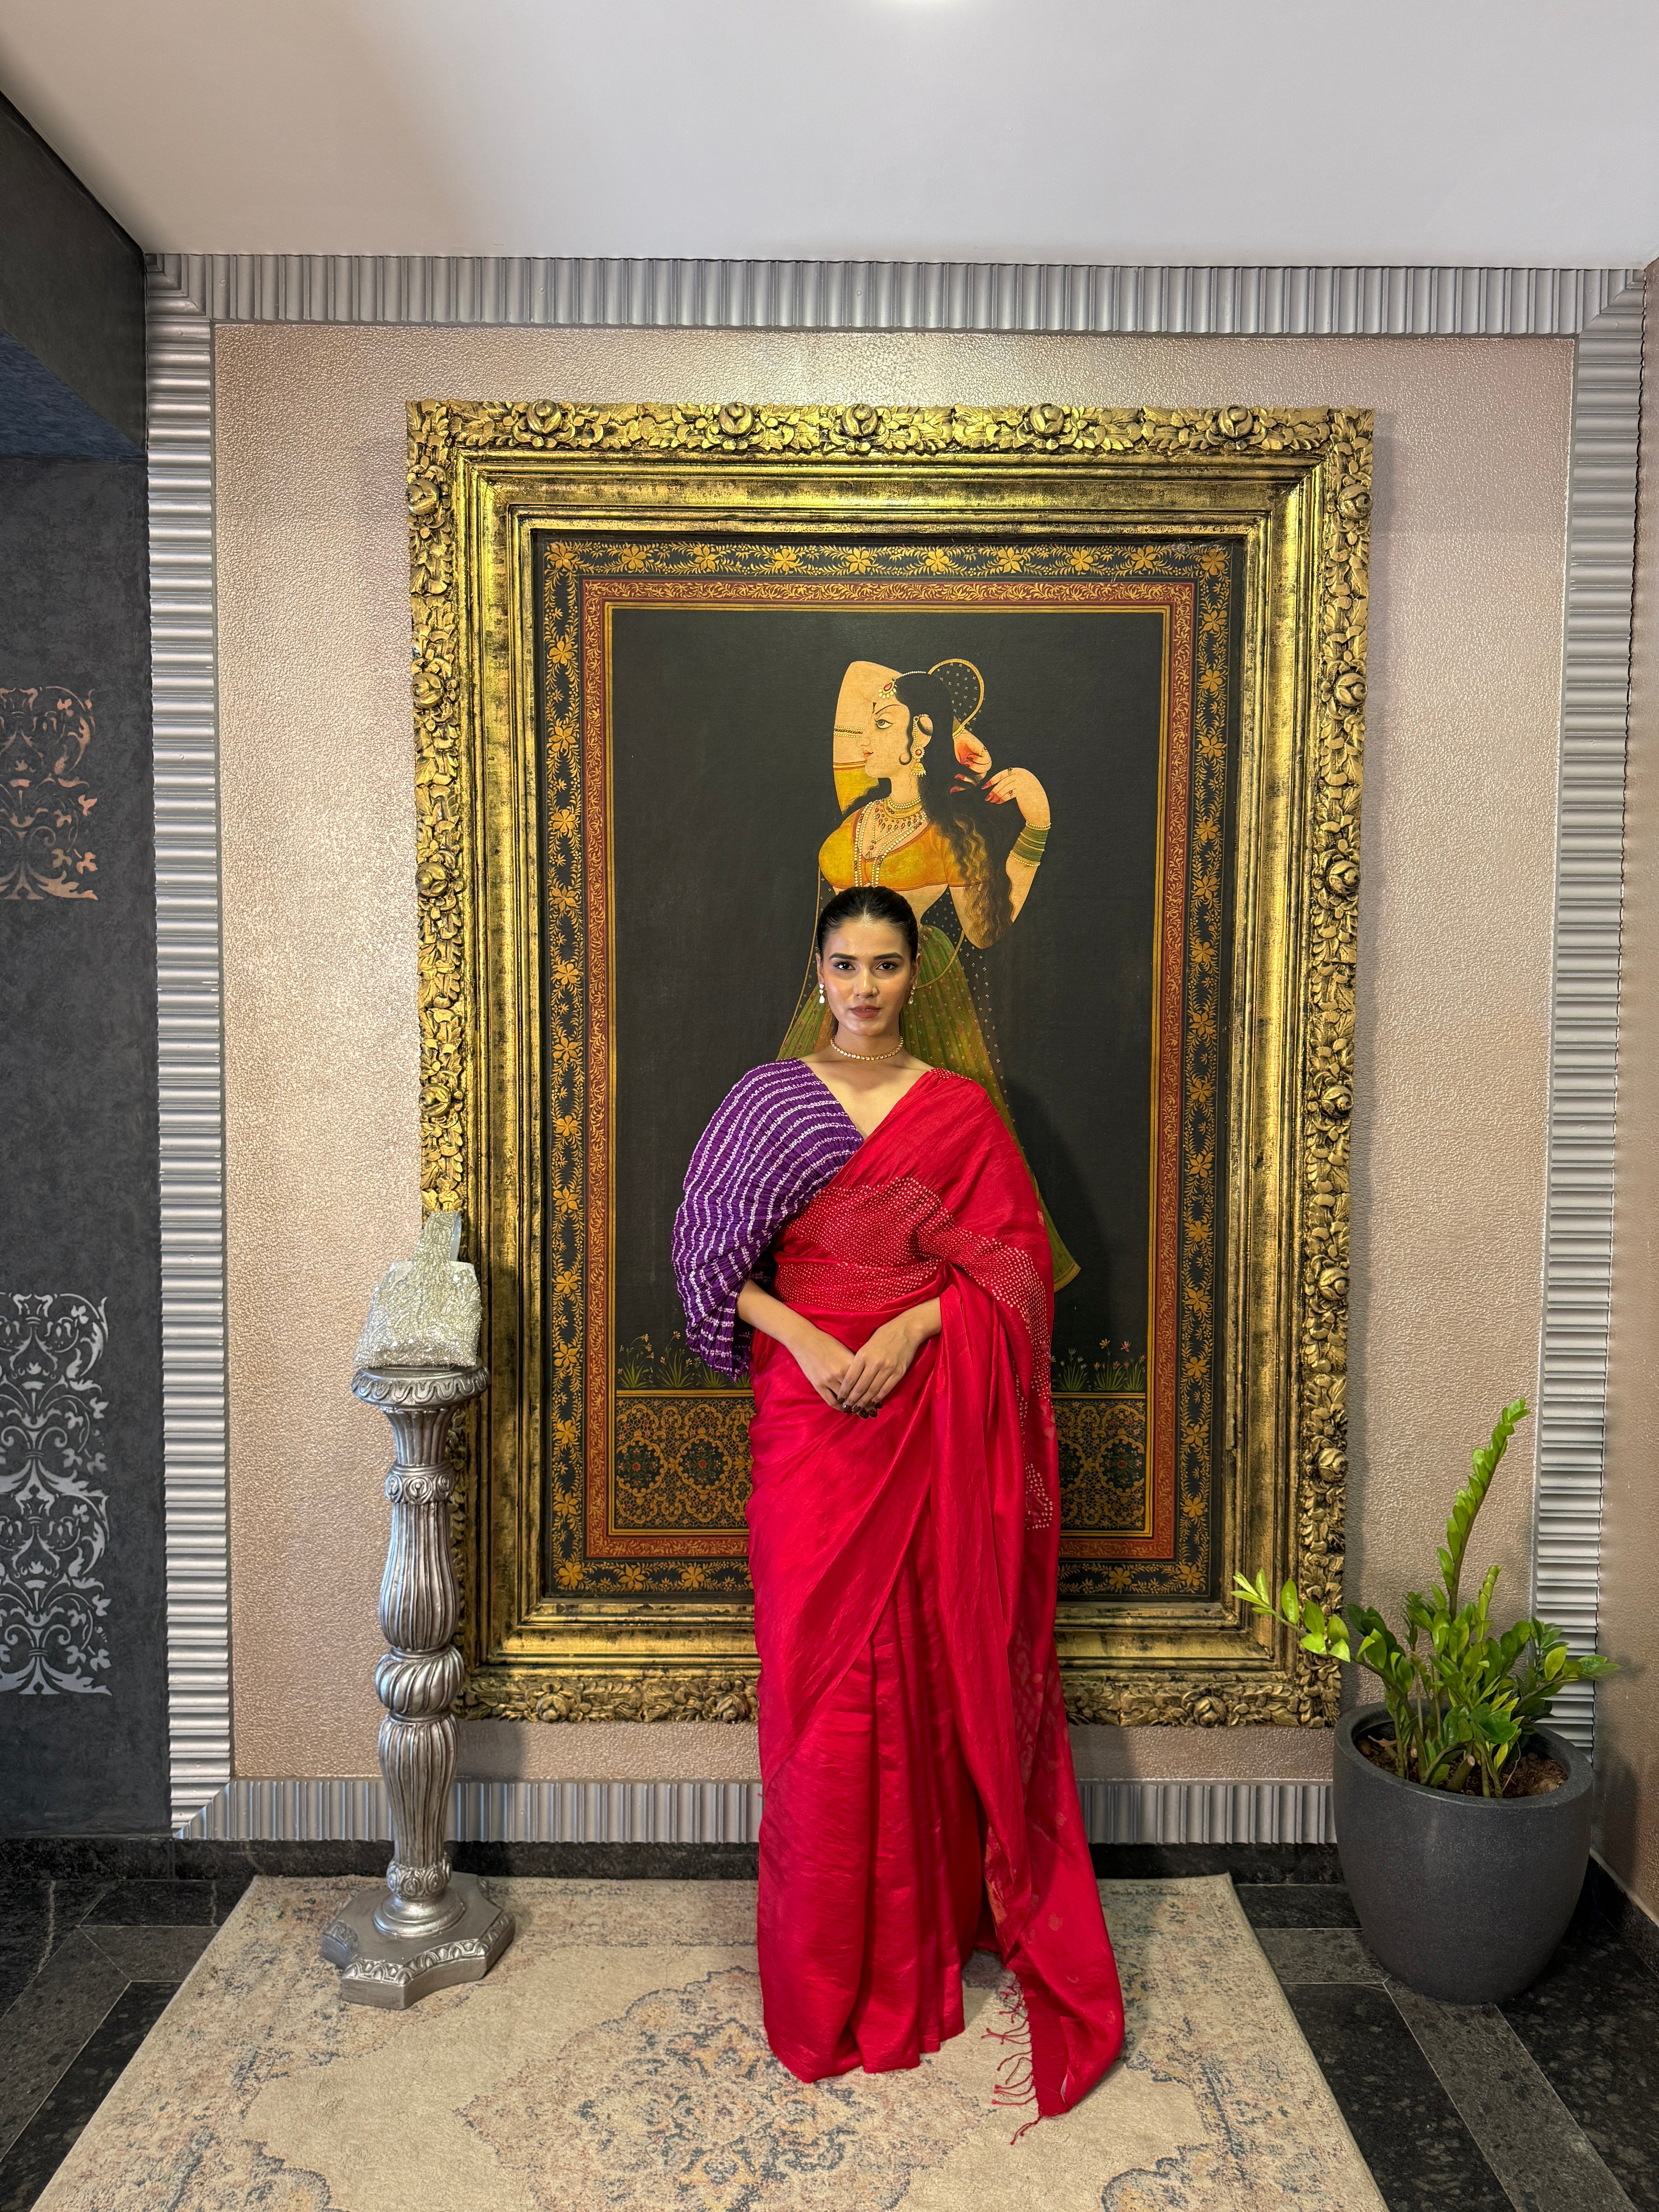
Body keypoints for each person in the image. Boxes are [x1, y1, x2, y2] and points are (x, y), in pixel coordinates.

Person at [673, 883, 1123, 2119]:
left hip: (926, 1417)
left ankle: (916, 1967)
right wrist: (814, 1345)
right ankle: (819, 1991)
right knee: (818, 1688)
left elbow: (1015, 1273)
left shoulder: (962, 1113)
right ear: (814, 973)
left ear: (914, 973)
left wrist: (921, 1324)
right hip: (809, 1419)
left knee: (914, 1683)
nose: (863, 986)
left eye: (884, 964)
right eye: (843, 964)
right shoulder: (766, 1102)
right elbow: (705, 1260)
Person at [777, 659, 1078, 1286]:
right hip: (833, 1013)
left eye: (882, 725)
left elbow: (986, 929)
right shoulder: (852, 825)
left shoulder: (953, 828)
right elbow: (824, 938)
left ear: (921, 736)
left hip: (925, 1000)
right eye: (866, 726)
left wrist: (1037, 828)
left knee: (934, 1176)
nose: (866, 741)